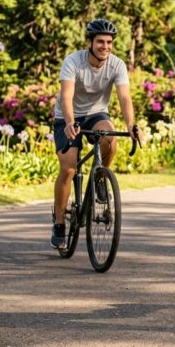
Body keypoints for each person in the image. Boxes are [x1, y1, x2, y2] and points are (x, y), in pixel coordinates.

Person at [50, 19, 138, 249]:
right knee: (69, 168)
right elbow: (67, 96)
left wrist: (131, 125)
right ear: (90, 42)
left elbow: (125, 98)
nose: (105, 46)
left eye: (109, 42)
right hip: (66, 116)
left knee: (110, 139)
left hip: (96, 113)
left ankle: (100, 177)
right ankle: (59, 222)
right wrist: (69, 122)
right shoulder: (73, 62)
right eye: (100, 41)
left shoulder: (117, 65)